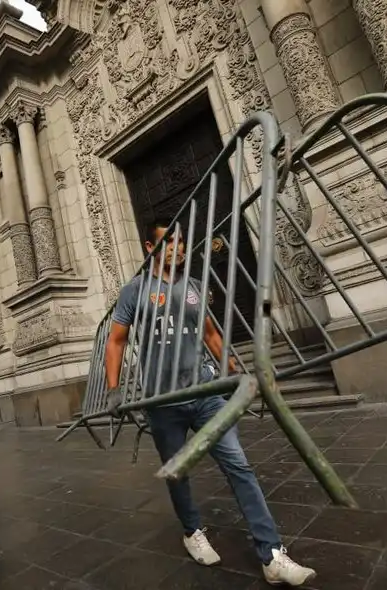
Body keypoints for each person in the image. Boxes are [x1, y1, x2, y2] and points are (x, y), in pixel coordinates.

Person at [104, 219, 317, 587]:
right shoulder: (135, 291)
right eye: (169, 242)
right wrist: (114, 388)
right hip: (162, 401)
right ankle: (192, 531)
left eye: (182, 242)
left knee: (239, 466)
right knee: (178, 472)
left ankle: (272, 554)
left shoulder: (195, 288)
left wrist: (239, 374)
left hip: (205, 395)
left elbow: (212, 337)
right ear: (149, 247)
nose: (178, 248)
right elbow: (117, 341)